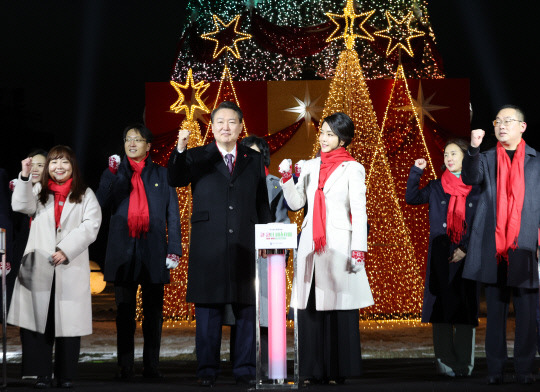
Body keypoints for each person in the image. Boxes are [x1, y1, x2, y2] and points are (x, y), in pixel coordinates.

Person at [167, 101, 272, 386]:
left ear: (240, 127)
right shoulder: (198, 155)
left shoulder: (253, 159)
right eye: (220, 122)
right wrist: (179, 148)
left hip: (245, 242)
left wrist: (267, 237)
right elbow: (175, 178)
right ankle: (207, 370)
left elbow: (262, 202)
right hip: (209, 243)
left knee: (246, 308)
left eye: (232, 122)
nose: (226, 127)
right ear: (212, 127)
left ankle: (245, 369)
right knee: (209, 310)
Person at [278, 112, 373, 384]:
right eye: (322, 132)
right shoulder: (309, 166)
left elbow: (358, 210)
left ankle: (338, 370)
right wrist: (286, 178)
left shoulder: (353, 168)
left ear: (343, 139)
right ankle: (311, 370)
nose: (324, 138)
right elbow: (296, 204)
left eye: (330, 134)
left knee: (338, 306)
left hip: (339, 243)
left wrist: (359, 248)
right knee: (310, 306)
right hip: (310, 242)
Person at [8, 145, 102, 388]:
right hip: (40, 265)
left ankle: (66, 375)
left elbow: (92, 225)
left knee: (68, 323)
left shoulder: (85, 193)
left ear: (73, 167)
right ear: (48, 167)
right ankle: (41, 374)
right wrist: (25, 176)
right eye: (54, 162)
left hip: (69, 265)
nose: (59, 167)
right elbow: (20, 205)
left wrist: (66, 249)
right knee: (40, 321)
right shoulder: (38, 190)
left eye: (65, 162)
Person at [461, 105, 540, 385]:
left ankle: (525, 369)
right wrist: (472, 148)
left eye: (508, 121)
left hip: (525, 247)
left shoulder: (536, 161)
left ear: (522, 127)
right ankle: (495, 370)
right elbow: (469, 177)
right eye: (498, 121)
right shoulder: (484, 159)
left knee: (527, 315)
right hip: (492, 248)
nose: (502, 125)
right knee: (494, 314)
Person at [96, 124, 182, 380]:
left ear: (149, 145)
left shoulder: (163, 174)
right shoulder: (115, 173)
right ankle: (125, 365)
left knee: (153, 313)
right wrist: (111, 175)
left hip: (154, 250)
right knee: (124, 313)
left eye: (137, 139)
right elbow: (99, 205)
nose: (132, 144)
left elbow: (173, 216)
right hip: (123, 251)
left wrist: (174, 249)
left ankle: (151, 365)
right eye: (128, 139)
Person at [405, 139, 480, 377]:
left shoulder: (476, 187)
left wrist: (465, 248)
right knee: (441, 311)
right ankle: (445, 362)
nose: (449, 158)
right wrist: (416, 171)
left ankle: (464, 364)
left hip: (467, 255)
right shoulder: (437, 186)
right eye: (446, 154)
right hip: (441, 255)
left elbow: (480, 222)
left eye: (454, 153)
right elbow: (412, 198)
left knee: (466, 311)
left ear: (466, 157)